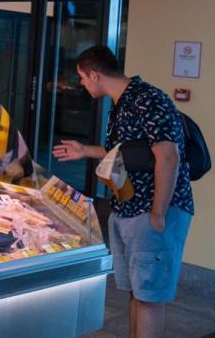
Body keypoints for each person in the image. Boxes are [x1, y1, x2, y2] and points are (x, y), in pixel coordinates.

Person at [53, 46, 193, 338]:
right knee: (137, 293)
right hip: (130, 209)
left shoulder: (147, 98)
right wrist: (85, 151)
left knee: (149, 298)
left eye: (82, 77)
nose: (81, 83)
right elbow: (128, 152)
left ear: (95, 74)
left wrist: (157, 214)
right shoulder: (122, 101)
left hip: (151, 211)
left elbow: (169, 157)